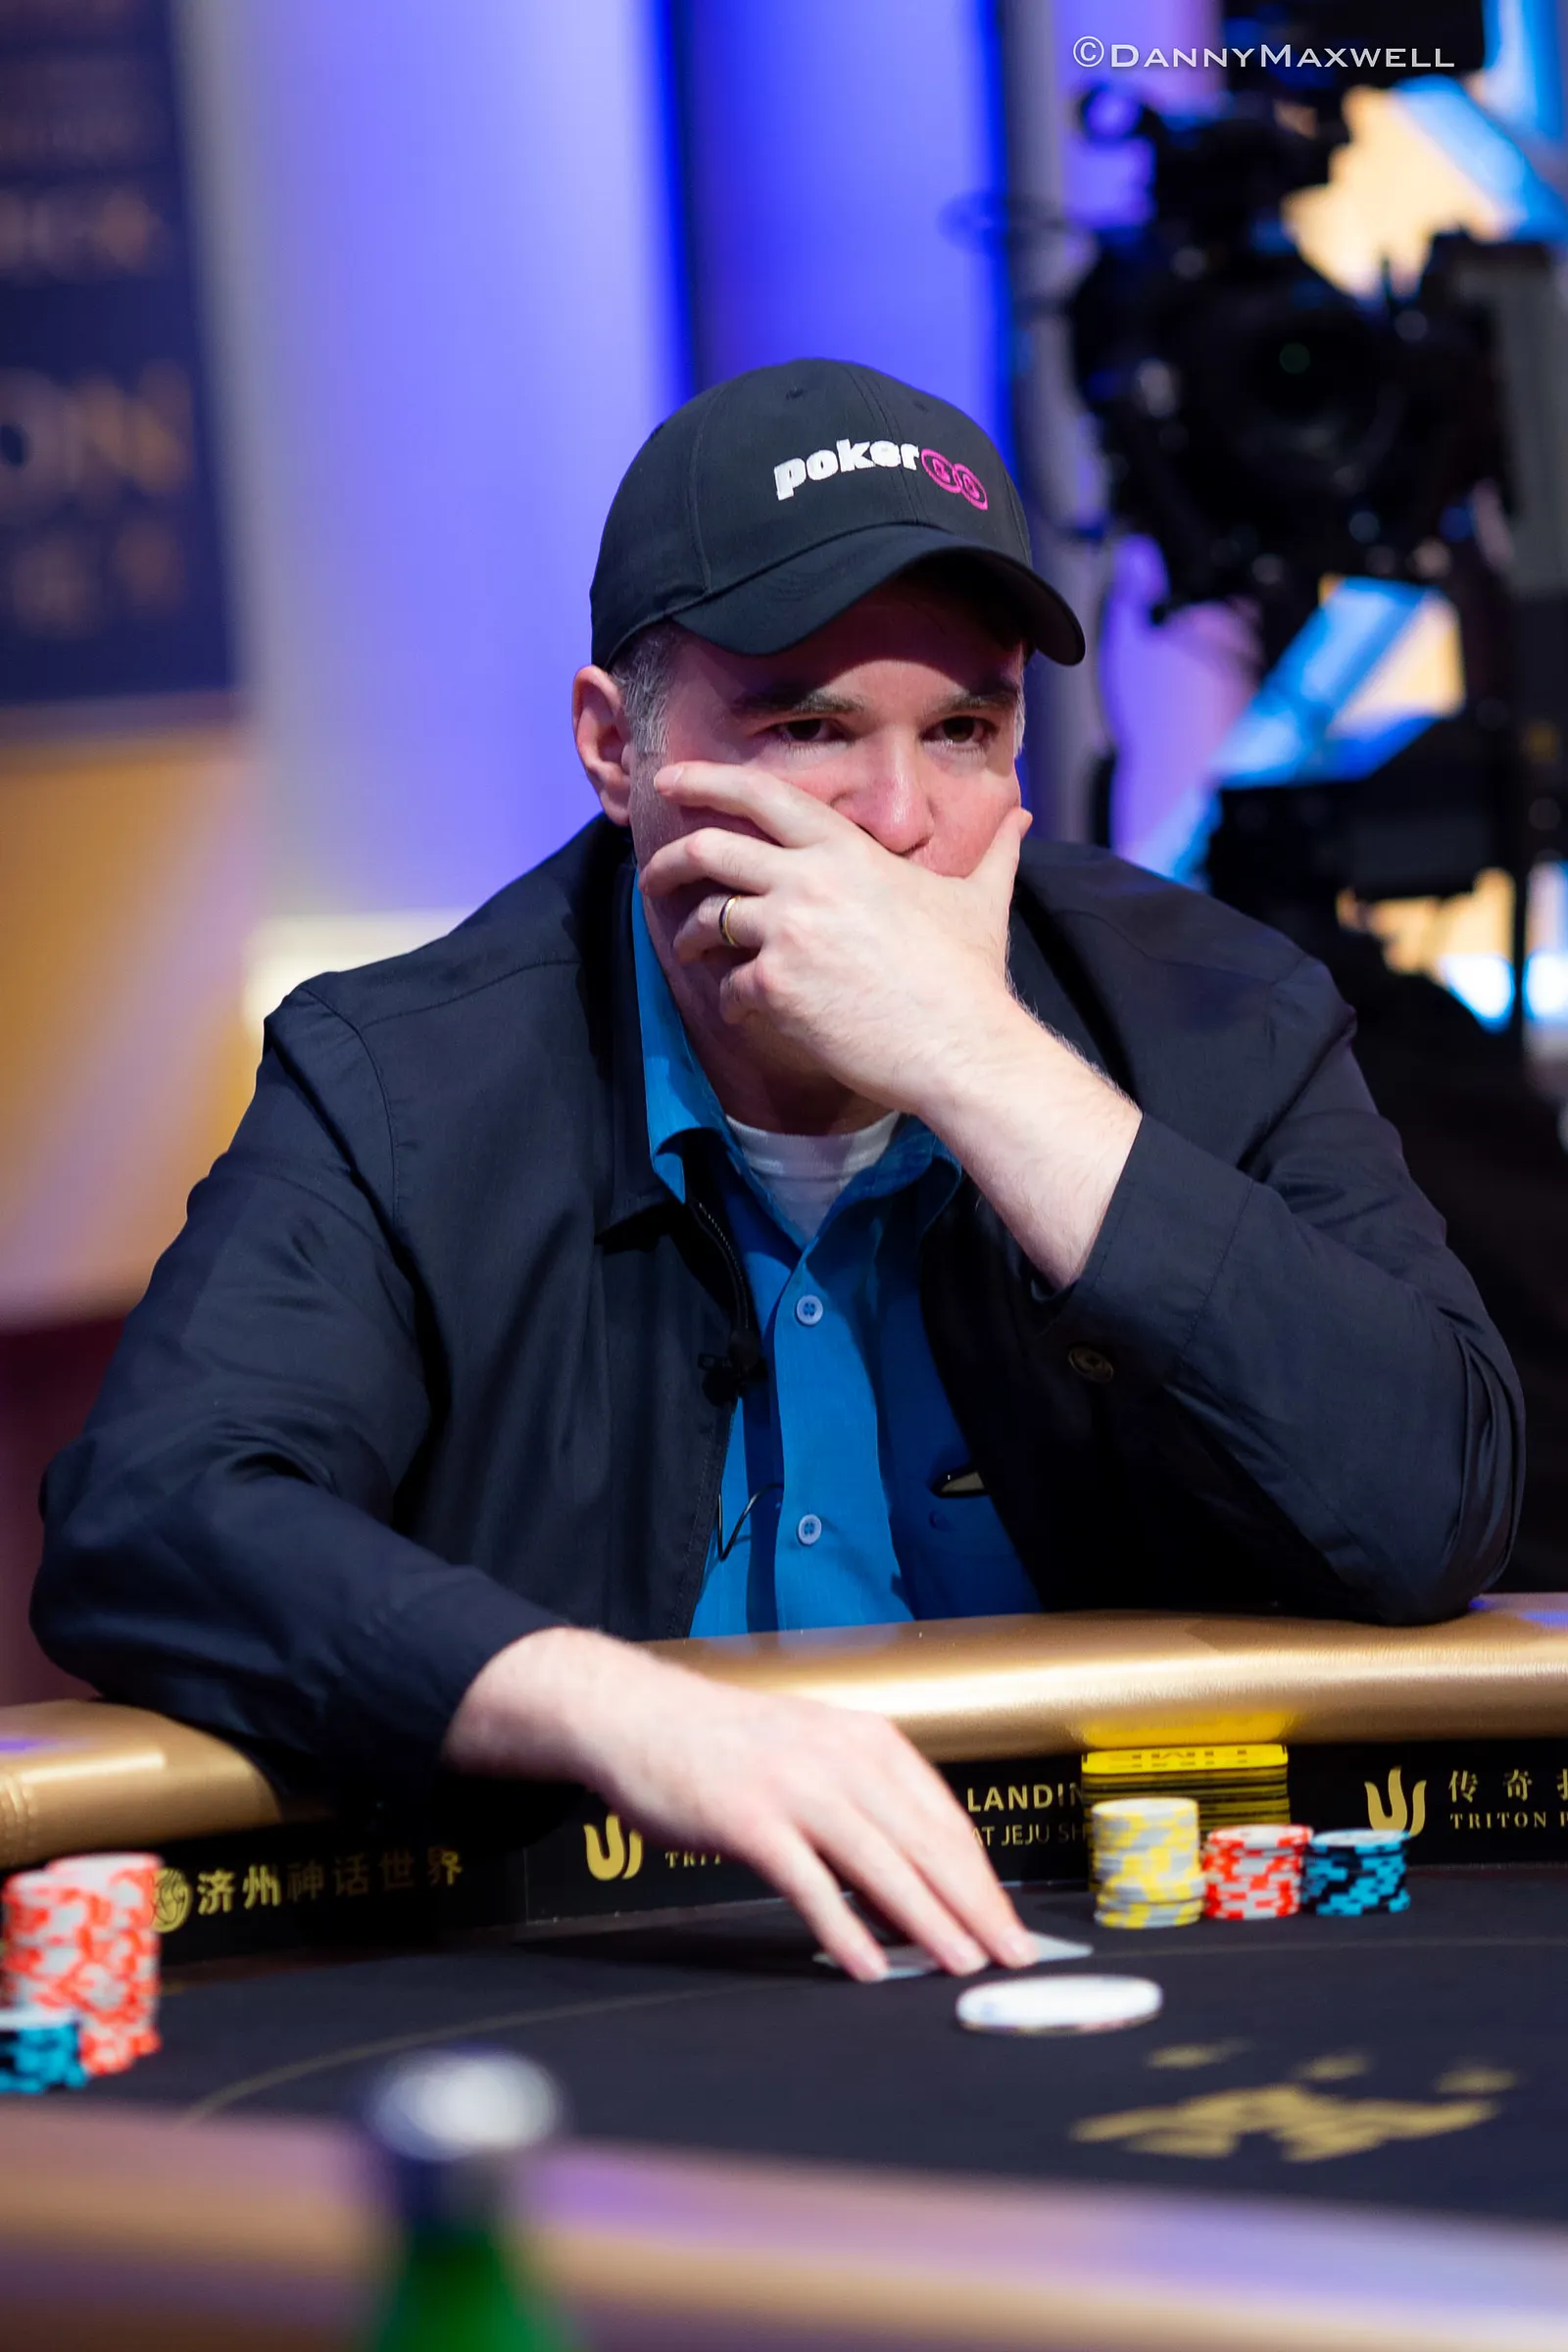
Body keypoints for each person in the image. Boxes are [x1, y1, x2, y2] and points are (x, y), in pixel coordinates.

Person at [32, 361, 1521, 1984]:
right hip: (624, 1976)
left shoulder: (1217, 1017)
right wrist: (619, 1708)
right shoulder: (402, 1086)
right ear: (615, 749)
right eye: (810, 729)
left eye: (966, 731)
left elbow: (1432, 1508)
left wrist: (984, 1066)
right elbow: (156, 1520)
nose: (900, 821)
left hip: (1126, 1951)